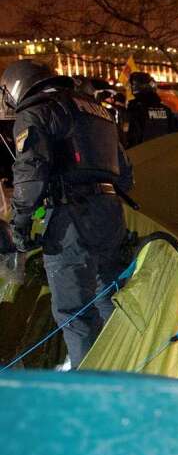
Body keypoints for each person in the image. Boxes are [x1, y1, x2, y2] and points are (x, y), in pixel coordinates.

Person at [1, 60, 133, 367]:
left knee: (74, 312)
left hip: (70, 219)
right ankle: (129, 370)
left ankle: (91, 391)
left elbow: (30, 173)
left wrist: (19, 224)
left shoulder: (36, 111)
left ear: (18, 86)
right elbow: (125, 173)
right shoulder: (95, 108)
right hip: (111, 214)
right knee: (110, 301)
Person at [124, 71, 175, 148]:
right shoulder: (166, 110)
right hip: (164, 154)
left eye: (132, 86)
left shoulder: (136, 109)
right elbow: (173, 134)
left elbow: (132, 137)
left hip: (143, 155)